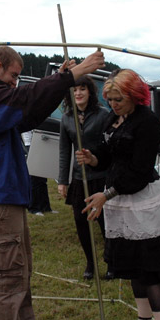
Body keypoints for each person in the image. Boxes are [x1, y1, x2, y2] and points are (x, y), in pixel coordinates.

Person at [0, 45, 105, 320]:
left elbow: (31, 113)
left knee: (21, 267)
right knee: (9, 272)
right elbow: (22, 101)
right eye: (13, 75)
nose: (15, 82)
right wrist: (69, 76)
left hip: (8, 195)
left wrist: (61, 82)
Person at [77, 68, 160, 320]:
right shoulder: (115, 118)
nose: (112, 105)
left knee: (152, 271)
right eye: (109, 100)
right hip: (120, 199)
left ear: (135, 95)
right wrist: (93, 156)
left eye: (118, 99)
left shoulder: (148, 124)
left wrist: (105, 195)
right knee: (133, 264)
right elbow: (110, 153)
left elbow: (137, 171)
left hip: (143, 202)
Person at [57, 76, 112, 280]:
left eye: (82, 89)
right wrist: (63, 180)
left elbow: (109, 148)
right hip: (79, 178)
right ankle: (90, 263)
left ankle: (111, 261)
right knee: (81, 220)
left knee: (105, 222)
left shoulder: (103, 115)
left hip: (100, 175)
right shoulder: (67, 117)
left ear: (90, 91)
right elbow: (64, 150)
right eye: (74, 90)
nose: (78, 93)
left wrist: (93, 157)